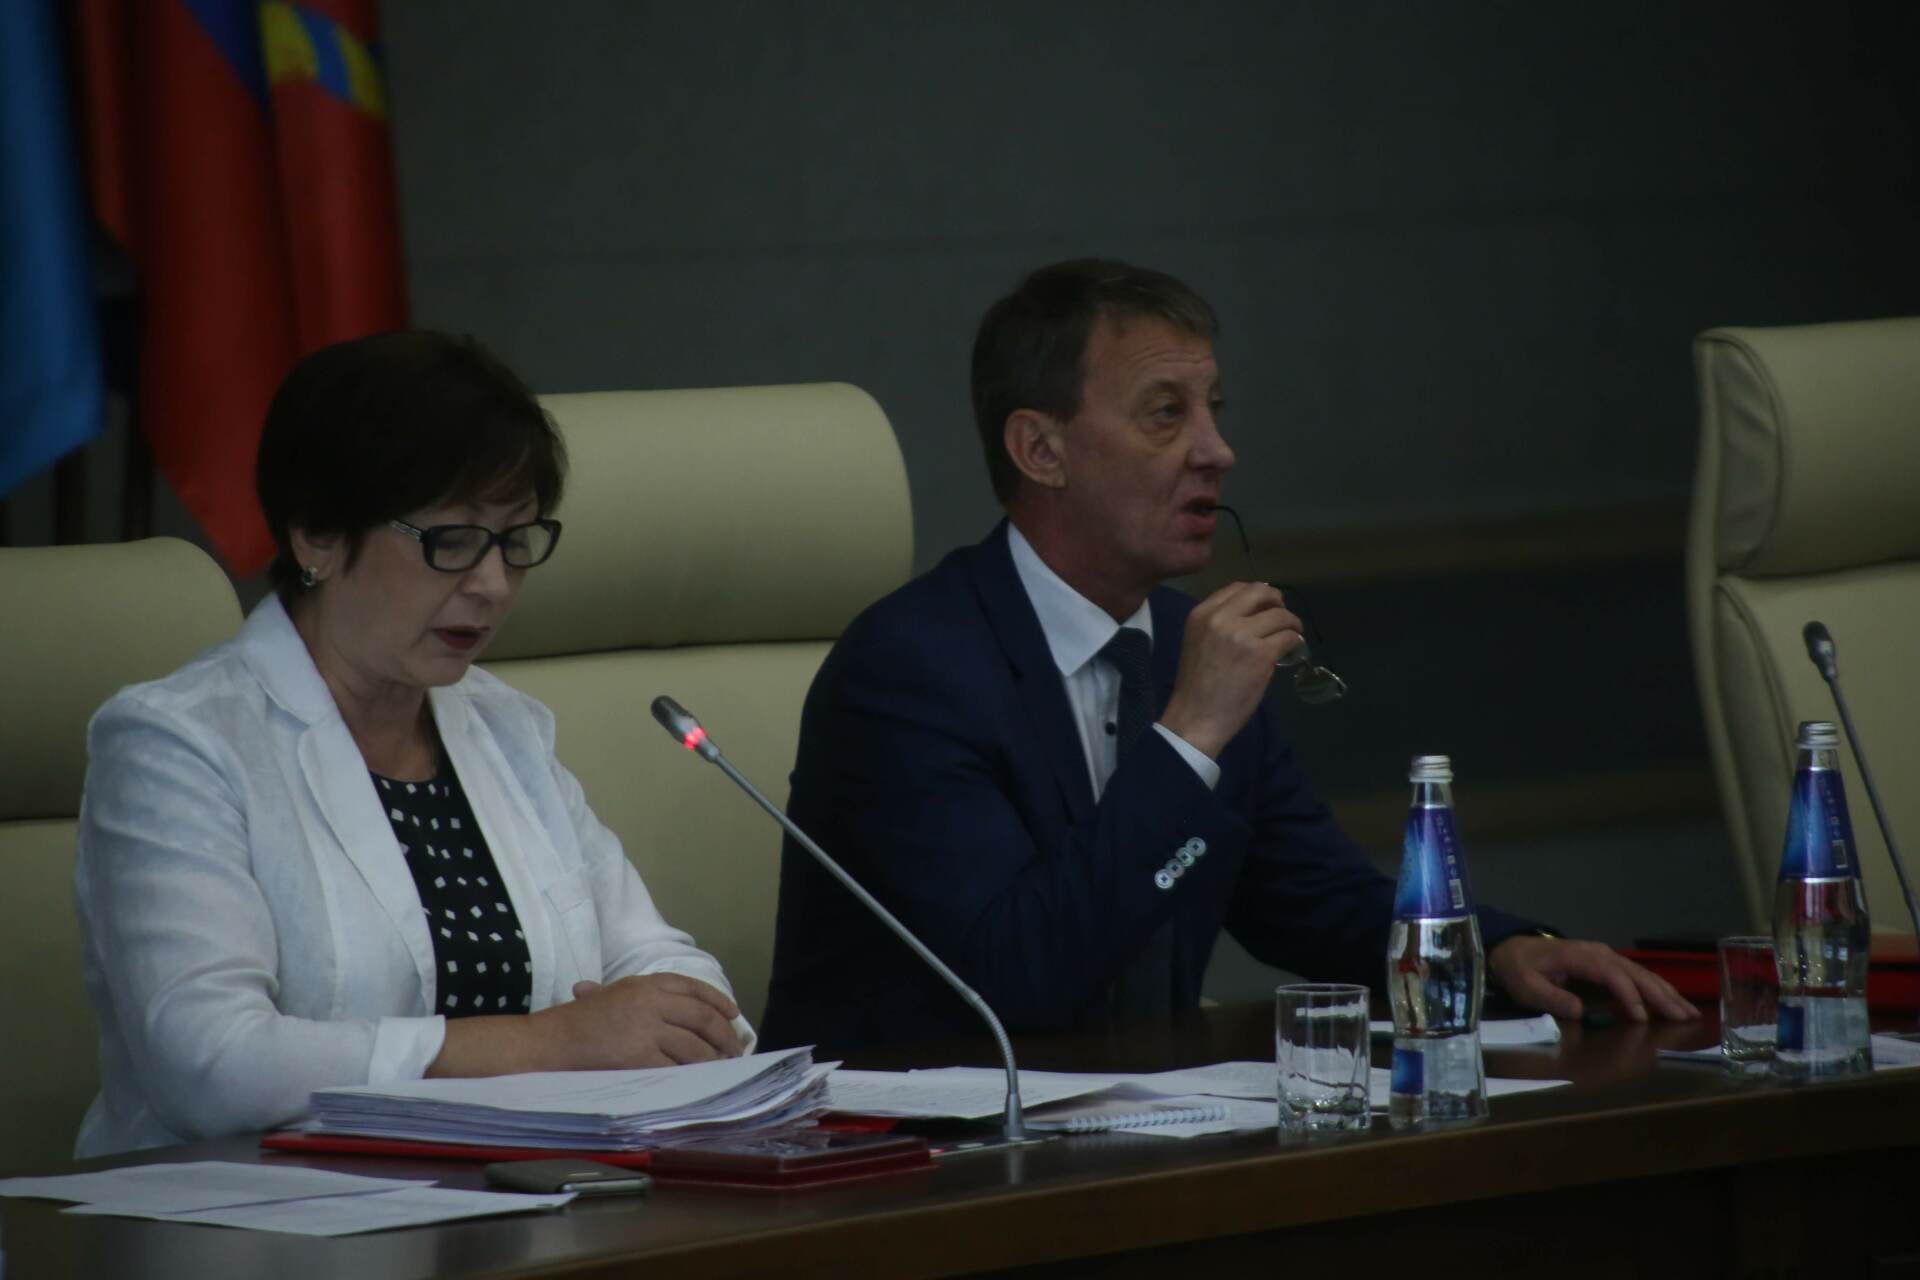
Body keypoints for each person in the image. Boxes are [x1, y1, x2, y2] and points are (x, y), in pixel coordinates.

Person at [761, 259, 1695, 1051]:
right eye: (1165, 414)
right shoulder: (909, 671)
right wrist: (1190, 733)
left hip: (1134, 1134)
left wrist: (1497, 949)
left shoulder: (1182, 642)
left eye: (1213, 410)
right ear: (1041, 450)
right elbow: (1012, 982)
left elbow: (1311, 899)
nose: (1218, 451)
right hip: (915, 1161)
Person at [73, 331, 751, 1157]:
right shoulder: (178, 742)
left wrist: (670, 1024)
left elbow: (662, 965)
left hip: (523, 1193)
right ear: (318, 535)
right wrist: (552, 1043)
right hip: (256, 1211)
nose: (492, 584)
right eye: (450, 541)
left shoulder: (504, 726)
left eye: (516, 541)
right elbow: (213, 1063)